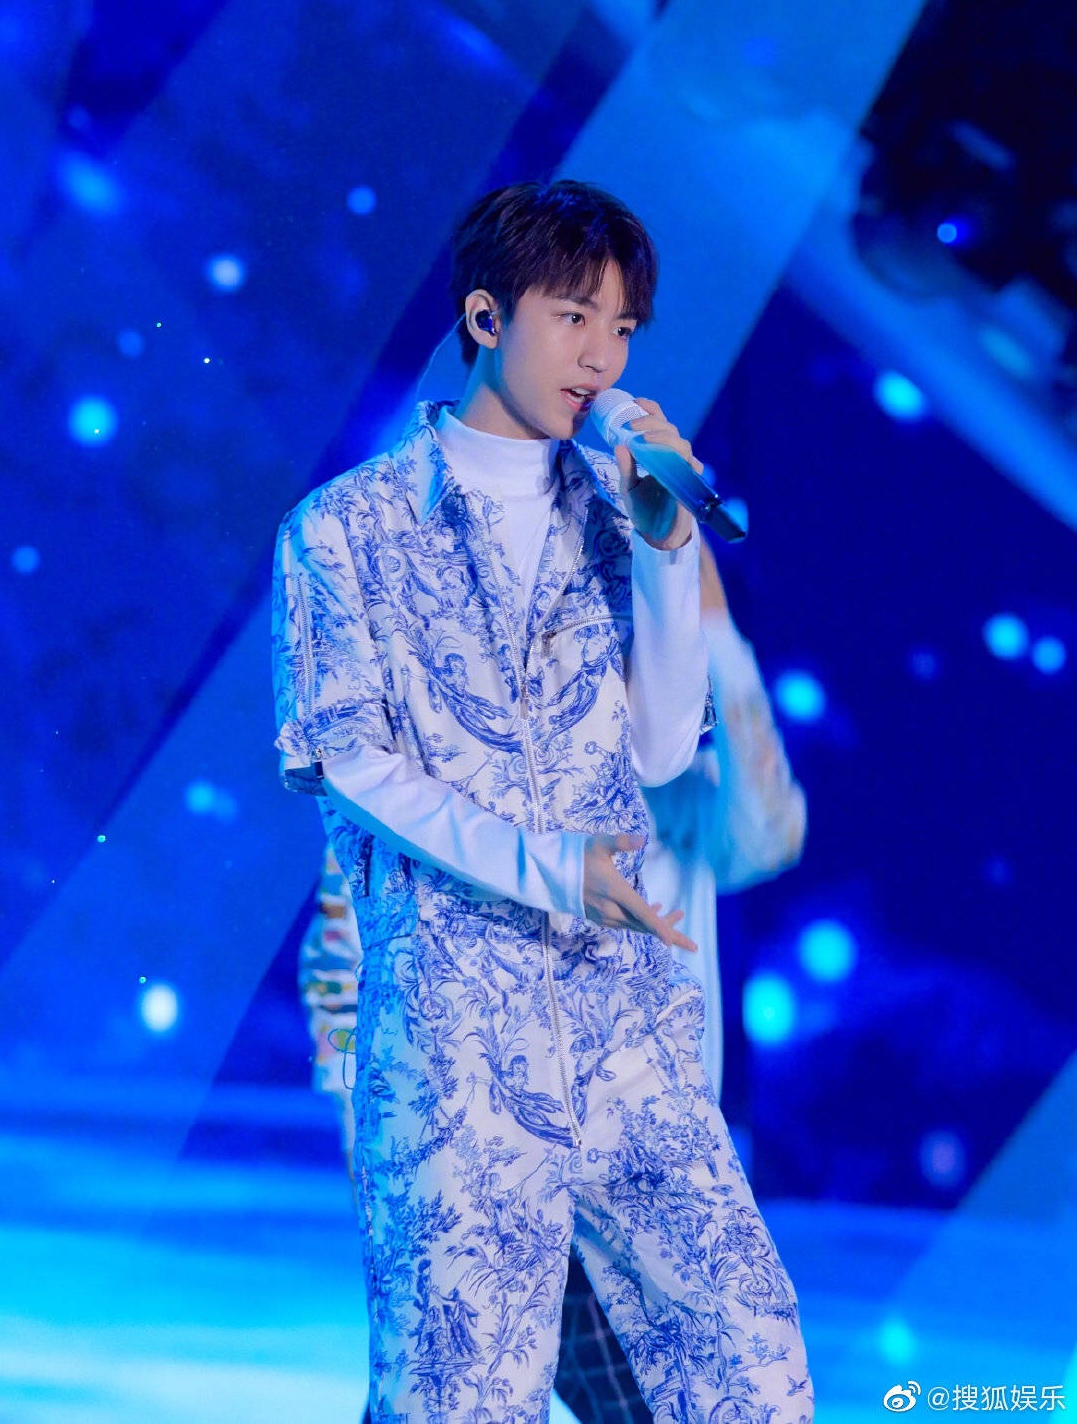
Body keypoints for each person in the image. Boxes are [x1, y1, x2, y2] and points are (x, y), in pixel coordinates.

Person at [273, 179, 813, 1422]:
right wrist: (552, 864)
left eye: (622, 329)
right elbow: (356, 765)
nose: (602, 357)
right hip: (459, 1047)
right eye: (574, 318)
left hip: (630, 1038)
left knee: (750, 1357)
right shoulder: (344, 532)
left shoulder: (618, 514)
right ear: (484, 316)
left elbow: (664, 747)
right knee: (461, 1394)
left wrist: (667, 548)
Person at [300, 536, 807, 1422]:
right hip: (478, 1173)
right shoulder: (423, 784)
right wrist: (380, 1148)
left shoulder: (673, 784)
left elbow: (768, 833)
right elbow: (342, 972)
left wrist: (716, 627)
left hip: (643, 1169)